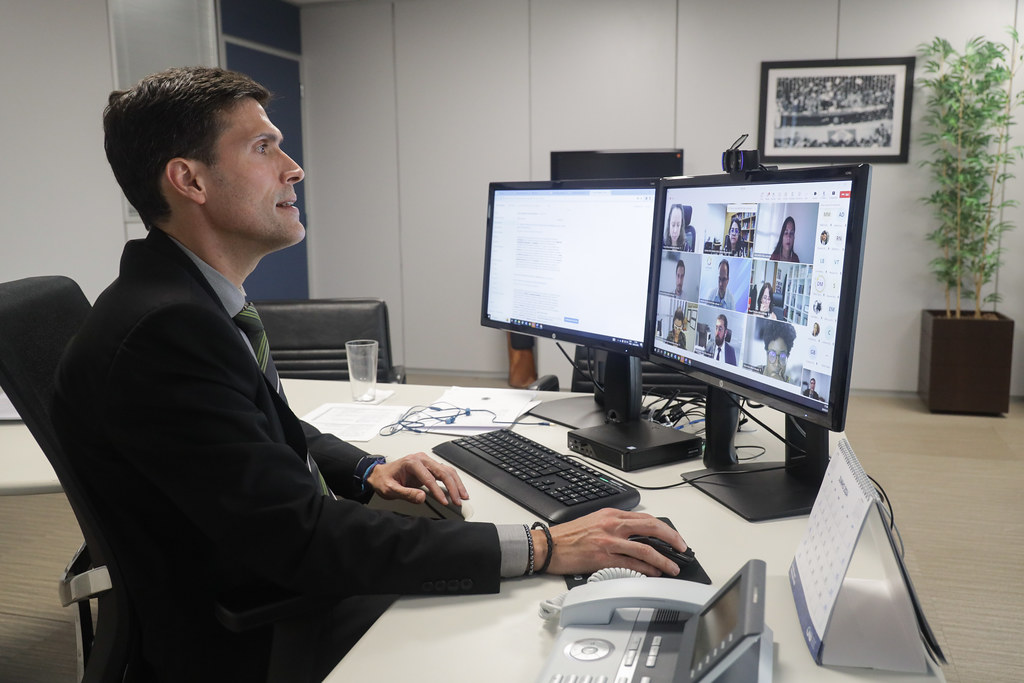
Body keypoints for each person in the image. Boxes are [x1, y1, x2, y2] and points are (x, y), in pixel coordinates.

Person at [51, 67, 687, 681]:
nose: (293, 167)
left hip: (272, 586)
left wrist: (365, 469)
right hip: (263, 637)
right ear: (190, 180)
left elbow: (260, 428)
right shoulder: (165, 332)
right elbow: (305, 541)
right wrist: (544, 546)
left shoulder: (178, 299)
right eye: (263, 146)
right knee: (533, 639)